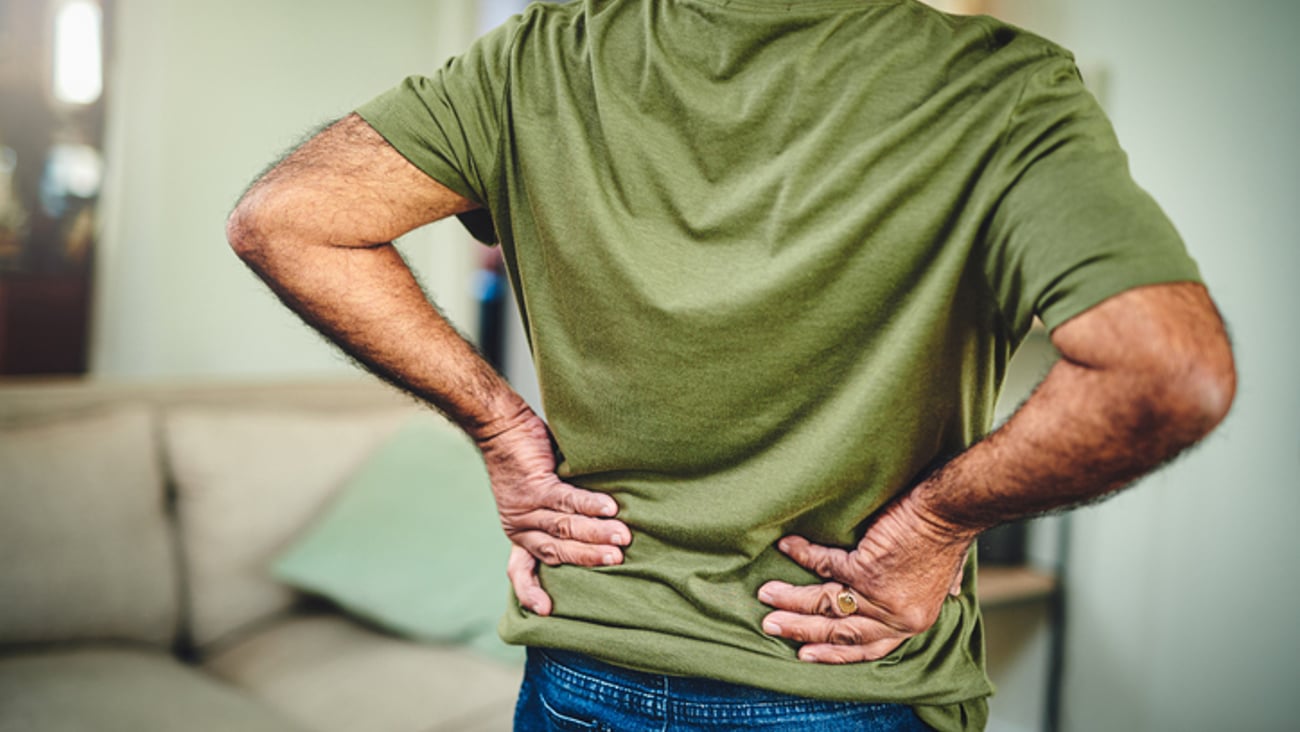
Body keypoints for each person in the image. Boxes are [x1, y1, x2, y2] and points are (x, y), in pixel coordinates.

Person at [226, 1, 1236, 729]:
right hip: (839, 675)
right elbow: (1165, 369)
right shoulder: (995, 90)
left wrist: (499, 424)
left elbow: (287, 217)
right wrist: (936, 524)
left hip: (586, 668)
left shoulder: (539, 56)